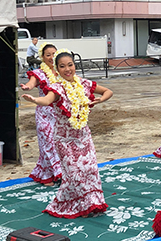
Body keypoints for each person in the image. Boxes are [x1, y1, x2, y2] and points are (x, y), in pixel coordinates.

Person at [22, 49, 112, 218]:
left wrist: (101, 99)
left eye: (70, 65)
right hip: (65, 140)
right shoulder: (56, 88)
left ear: (74, 66)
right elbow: (47, 100)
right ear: (56, 69)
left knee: (90, 170)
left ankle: (91, 204)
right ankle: (82, 205)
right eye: (62, 66)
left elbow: (108, 91)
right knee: (74, 173)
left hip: (83, 136)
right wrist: (34, 100)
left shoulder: (84, 84)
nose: (67, 69)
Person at [20, 43, 62, 186]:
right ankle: (49, 175)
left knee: (59, 143)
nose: (51, 57)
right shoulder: (39, 73)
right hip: (44, 113)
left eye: (54, 54)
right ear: (42, 57)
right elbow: (31, 83)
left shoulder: (62, 71)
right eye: (48, 55)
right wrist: (27, 87)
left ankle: (56, 174)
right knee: (47, 143)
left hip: (59, 113)